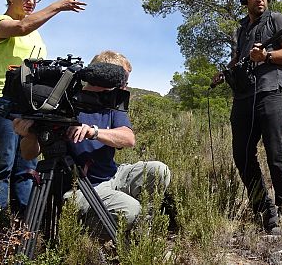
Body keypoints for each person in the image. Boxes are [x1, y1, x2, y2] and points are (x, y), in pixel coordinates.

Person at [13, 50, 171, 238]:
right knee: (129, 209)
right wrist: (29, 134)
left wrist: (94, 132)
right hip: (79, 187)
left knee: (159, 170)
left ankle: (141, 232)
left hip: (113, 175)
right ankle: (84, 239)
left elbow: (128, 138)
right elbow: (28, 155)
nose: (125, 86)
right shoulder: (60, 102)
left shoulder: (111, 103)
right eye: (122, 80)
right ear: (106, 76)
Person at [0, 0, 86, 216]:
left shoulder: (36, 33)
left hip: (30, 105)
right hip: (2, 101)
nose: (31, 2)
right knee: (2, 164)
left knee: (27, 165)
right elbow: (21, 26)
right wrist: (57, 6)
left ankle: (24, 225)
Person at [213, 0, 282, 234]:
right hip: (244, 98)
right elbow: (239, 59)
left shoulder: (278, 20)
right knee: (241, 155)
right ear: (245, 0)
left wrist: (268, 56)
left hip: (272, 92)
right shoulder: (241, 28)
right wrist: (224, 72)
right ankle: (265, 213)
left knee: (277, 154)